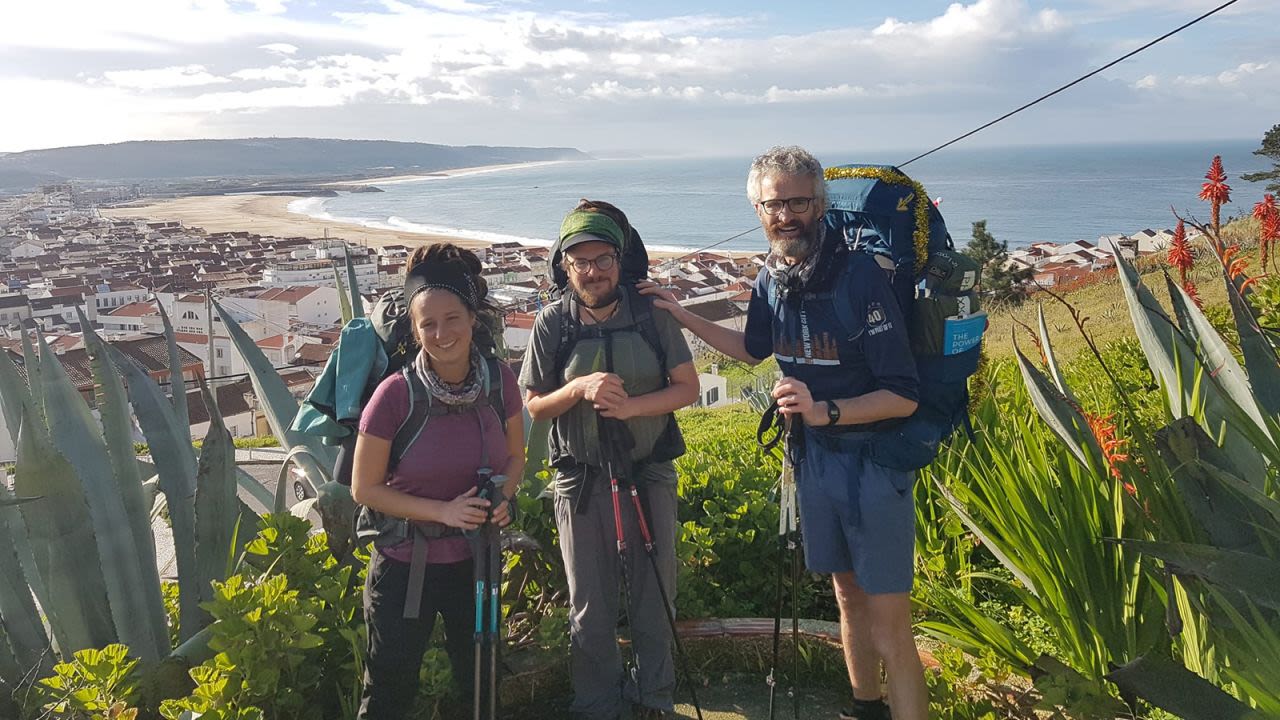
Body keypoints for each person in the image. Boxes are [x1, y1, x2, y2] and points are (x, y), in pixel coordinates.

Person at [639, 146, 928, 720]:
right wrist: (679, 313)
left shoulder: (860, 277)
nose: (786, 215)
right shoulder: (774, 275)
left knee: (891, 621)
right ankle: (864, 709)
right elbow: (752, 349)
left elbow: (904, 393)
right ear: (758, 208)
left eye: (798, 201)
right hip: (815, 460)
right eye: (774, 204)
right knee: (846, 596)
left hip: (874, 464)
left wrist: (827, 410)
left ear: (820, 204)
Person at [520, 201, 700, 720]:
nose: (593, 271)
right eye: (581, 261)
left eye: (602, 259)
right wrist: (577, 388)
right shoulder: (553, 323)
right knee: (589, 601)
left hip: (648, 469)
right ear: (565, 266)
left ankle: (654, 698)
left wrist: (631, 407)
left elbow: (686, 387)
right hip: (581, 476)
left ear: (619, 261)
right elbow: (534, 404)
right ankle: (595, 704)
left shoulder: (650, 314)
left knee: (654, 592)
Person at [352, 242, 525, 719]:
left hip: (475, 559)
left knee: (480, 681)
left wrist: (502, 498)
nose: (441, 332)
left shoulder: (499, 382)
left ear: (473, 318)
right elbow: (364, 489)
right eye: (427, 323)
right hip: (404, 565)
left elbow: (516, 458)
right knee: (389, 688)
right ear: (414, 328)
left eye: (452, 318)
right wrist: (442, 512)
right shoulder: (393, 396)